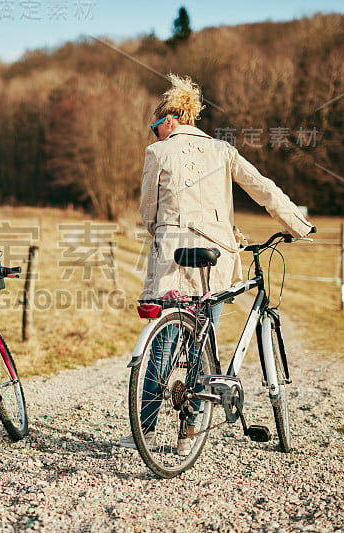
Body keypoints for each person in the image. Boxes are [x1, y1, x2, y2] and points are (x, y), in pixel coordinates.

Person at [119, 74, 313, 453]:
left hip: (174, 258)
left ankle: (145, 431)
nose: (155, 133)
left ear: (171, 119)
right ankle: (188, 435)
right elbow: (263, 188)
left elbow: (147, 212)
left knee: (164, 343)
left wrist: (161, 232)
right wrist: (298, 225)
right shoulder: (223, 151)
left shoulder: (158, 153)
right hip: (218, 257)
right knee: (203, 342)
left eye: (155, 126)